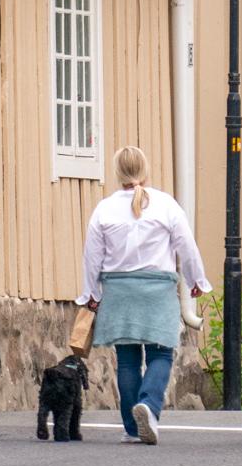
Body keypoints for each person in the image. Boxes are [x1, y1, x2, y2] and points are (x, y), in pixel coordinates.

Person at [81, 145, 207, 445]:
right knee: (161, 353)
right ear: (145, 170)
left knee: (126, 360)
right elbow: (186, 246)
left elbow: (92, 256)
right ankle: (149, 407)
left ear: (117, 173)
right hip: (157, 289)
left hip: (119, 290)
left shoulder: (105, 208)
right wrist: (196, 279)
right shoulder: (165, 204)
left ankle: (131, 426)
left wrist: (91, 292)